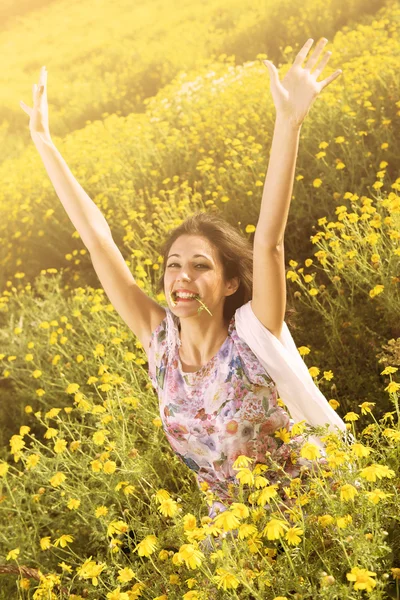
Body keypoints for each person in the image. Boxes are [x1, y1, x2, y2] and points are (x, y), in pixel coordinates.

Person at [20, 38, 343, 546]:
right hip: (231, 540)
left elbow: (270, 242)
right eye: (174, 266)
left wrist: (289, 122)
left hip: (316, 526)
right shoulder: (159, 345)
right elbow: (97, 239)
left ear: (230, 282)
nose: (182, 277)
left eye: (200, 265)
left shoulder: (255, 335)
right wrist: (44, 143)